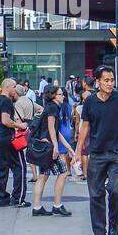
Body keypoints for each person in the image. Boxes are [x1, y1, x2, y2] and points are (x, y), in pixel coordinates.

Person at [75, 65, 118, 235]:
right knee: (96, 194)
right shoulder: (91, 102)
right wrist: (79, 150)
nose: (110, 84)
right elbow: (85, 126)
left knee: (116, 190)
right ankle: (99, 232)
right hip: (97, 152)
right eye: (106, 80)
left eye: (112, 80)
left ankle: (114, 223)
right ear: (98, 82)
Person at [31, 85, 73, 217]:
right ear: (54, 96)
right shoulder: (53, 108)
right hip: (49, 146)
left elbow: (55, 130)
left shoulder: (49, 107)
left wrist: (67, 147)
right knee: (63, 172)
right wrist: (55, 146)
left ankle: (37, 207)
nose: (63, 96)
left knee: (43, 176)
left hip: (45, 145)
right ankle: (57, 205)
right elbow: (51, 128)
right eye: (60, 94)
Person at [0, 79, 28, 208]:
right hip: (9, 138)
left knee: (1, 169)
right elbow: (6, 121)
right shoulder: (7, 101)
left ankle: (3, 198)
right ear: (6, 87)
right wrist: (20, 125)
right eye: (13, 87)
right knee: (19, 167)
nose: (15, 89)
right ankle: (17, 198)